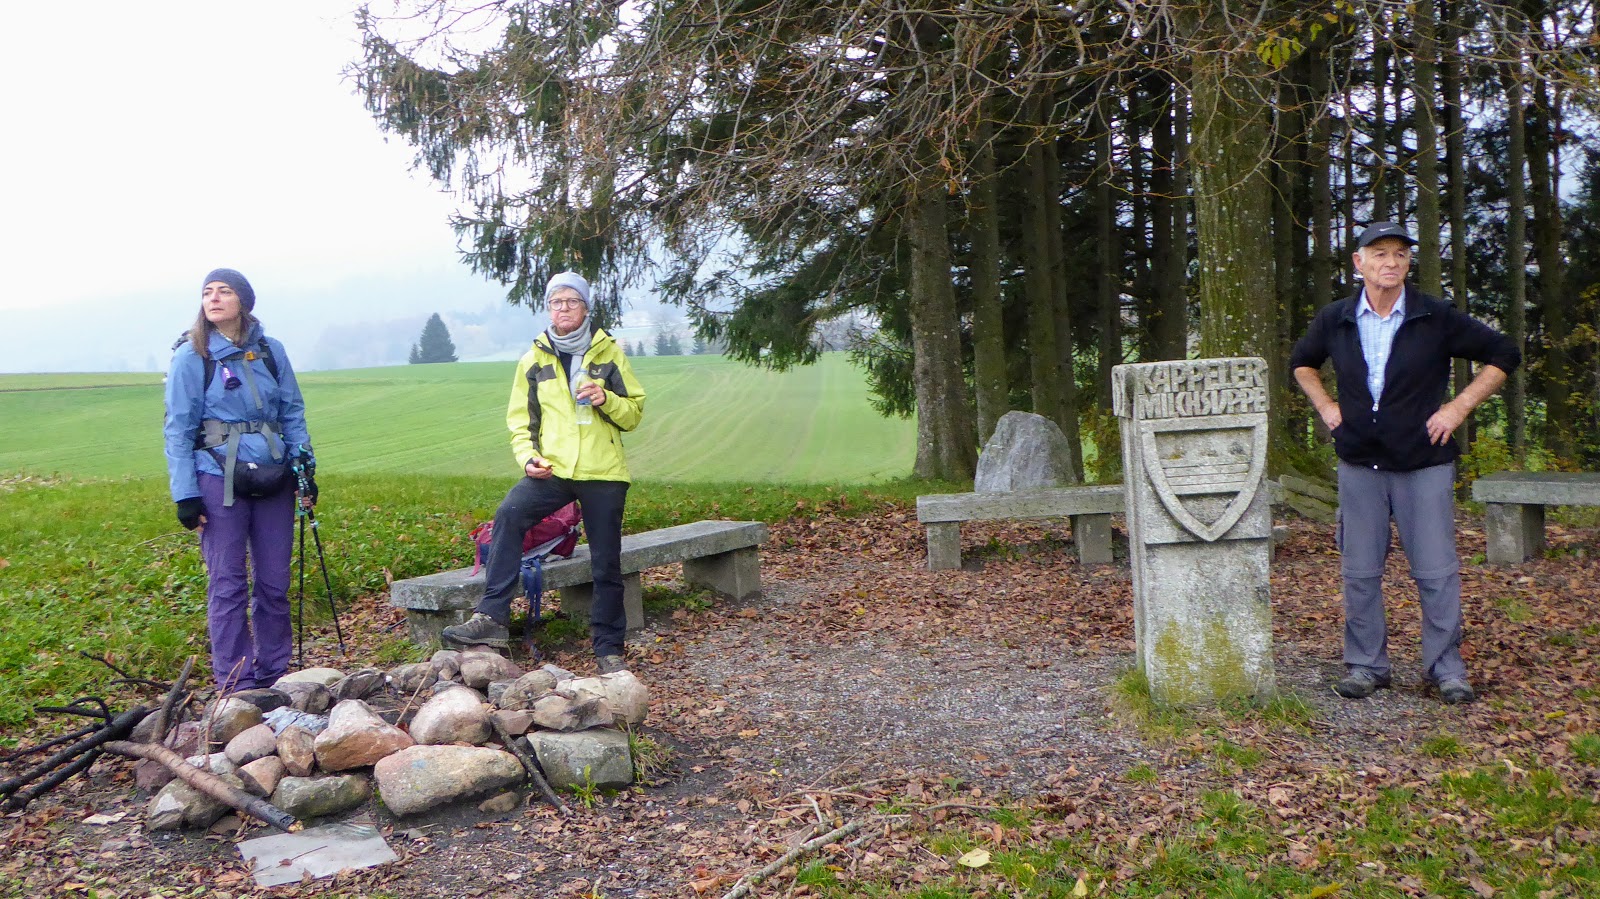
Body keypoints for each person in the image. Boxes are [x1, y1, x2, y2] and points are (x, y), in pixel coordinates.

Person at [1290, 222, 1520, 705]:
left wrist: (1458, 407)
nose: (1390, 262)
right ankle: (1366, 667)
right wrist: (1327, 407)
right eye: (1379, 253)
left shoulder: (1433, 316)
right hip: (1359, 463)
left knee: (1436, 572)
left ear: (1409, 262)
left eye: (1399, 253)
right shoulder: (1336, 318)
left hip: (1423, 463)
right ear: (1359, 263)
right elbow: (1302, 362)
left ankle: (1446, 670)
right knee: (1360, 572)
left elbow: (1504, 353)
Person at [442, 272, 646, 674]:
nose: (563, 308)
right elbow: (521, 421)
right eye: (556, 302)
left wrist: (606, 399)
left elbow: (634, 414)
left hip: (603, 471)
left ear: (585, 307)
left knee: (606, 561)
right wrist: (527, 459)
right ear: (548, 309)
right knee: (510, 513)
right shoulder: (533, 360)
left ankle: (608, 649)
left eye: (572, 301)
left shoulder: (609, 354)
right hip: (553, 469)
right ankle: (492, 617)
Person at [163, 268, 316, 693]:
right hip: (218, 477)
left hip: (274, 474)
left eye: (224, 291)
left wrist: (305, 469)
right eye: (207, 292)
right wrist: (186, 494)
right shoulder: (192, 356)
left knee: (274, 582)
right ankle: (236, 683)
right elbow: (177, 430)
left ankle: (274, 674)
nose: (213, 299)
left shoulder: (270, 350)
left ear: (243, 302)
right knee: (227, 583)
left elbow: (292, 412)